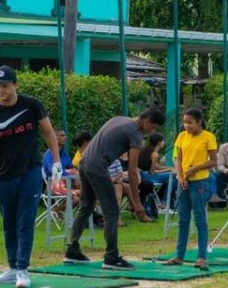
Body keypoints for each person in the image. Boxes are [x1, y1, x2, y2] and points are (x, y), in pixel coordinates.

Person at [0, 65, 61, 288]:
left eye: (4, 86)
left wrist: (57, 160)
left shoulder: (31, 105)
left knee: (25, 220)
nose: (0, 90)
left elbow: (49, 132)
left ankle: (23, 268)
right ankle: (13, 267)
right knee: (9, 222)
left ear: (15, 85)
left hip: (30, 171)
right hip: (4, 174)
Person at [66, 109, 161, 270]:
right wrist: (137, 205)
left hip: (84, 163)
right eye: (153, 128)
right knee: (112, 212)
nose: (151, 132)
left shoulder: (119, 119)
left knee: (86, 206)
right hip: (98, 167)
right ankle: (111, 257)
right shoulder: (135, 134)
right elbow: (132, 171)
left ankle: (72, 250)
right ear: (147, 122)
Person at [163, 109, 219, 270]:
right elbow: (179, 159)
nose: (186, 125)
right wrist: (180, 178)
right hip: (184, 183)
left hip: (200, 182)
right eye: (184, 122)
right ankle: (179, 256)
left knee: (200, 219)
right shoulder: (181, 136)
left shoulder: (208, 137)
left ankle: (202, 257)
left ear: (199, 122)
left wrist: (196, 169)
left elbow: (214, 161)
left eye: (190, 122)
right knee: (183, 220)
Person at [136, 133, 174, 217]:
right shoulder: (155, 154)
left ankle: (163, 202)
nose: (164, 142)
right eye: (163, 141)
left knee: (170, 176)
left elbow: (155, 165)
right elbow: (153, 171)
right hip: (149, 176)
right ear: (159, 142)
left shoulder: (146, 150)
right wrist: (166, 170)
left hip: (143, 174)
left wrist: (167, 168)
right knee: (172, 177)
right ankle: (164, 203)